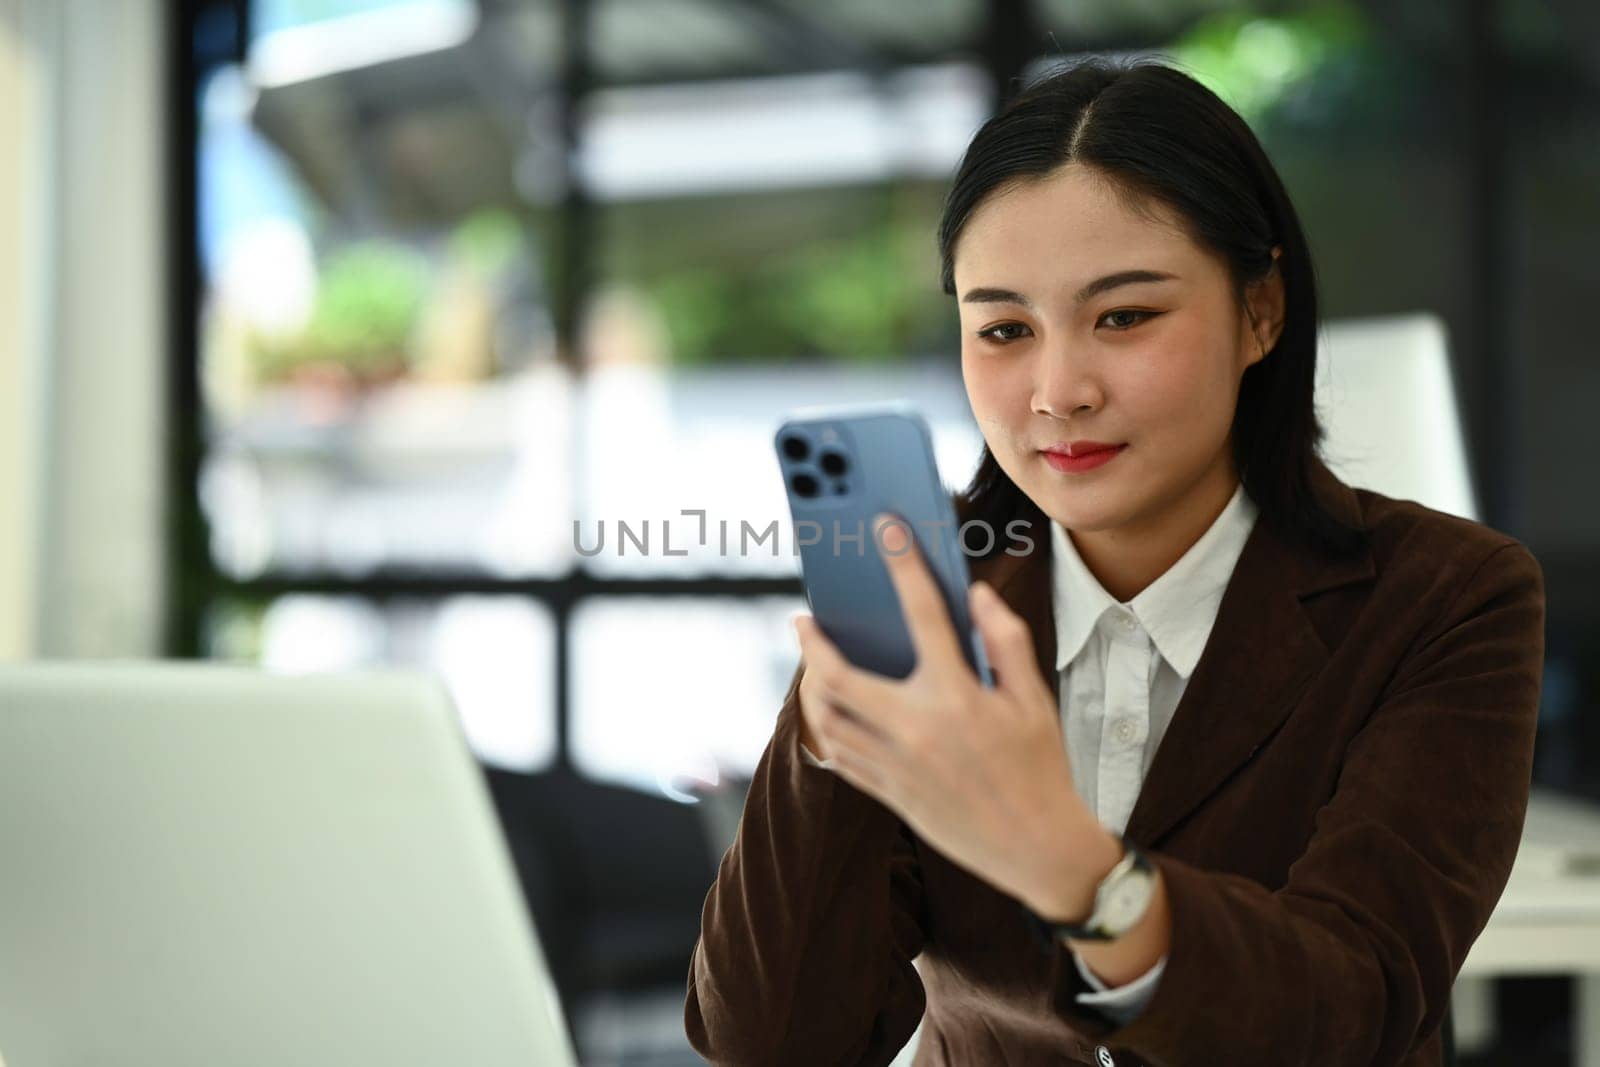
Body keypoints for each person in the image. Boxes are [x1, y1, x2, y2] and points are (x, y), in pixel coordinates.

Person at [683, 56, 1545, 1067]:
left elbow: (1352, 1006)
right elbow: (773, 1041)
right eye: (1003, 328)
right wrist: (832, 741)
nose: (1057, 389)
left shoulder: (1444, 597)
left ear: (1259, 310)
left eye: (1124, 316)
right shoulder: (936, 592)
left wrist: (1077, 873)